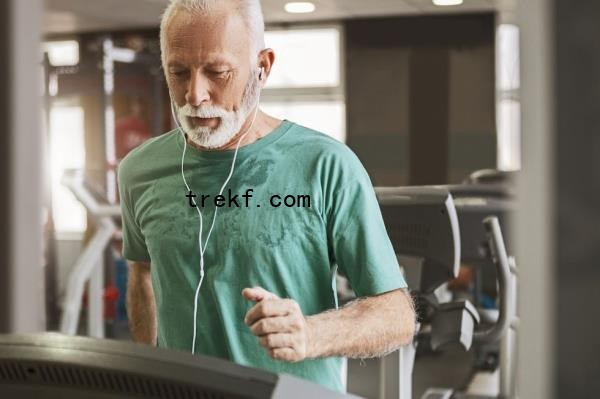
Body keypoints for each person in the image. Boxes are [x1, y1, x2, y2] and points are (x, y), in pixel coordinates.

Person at [118, 0, 416, 392]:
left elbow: (397, 315)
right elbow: (143, 273)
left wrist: (311, 333)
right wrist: (149, 375)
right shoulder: (138, 170)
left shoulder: (326, 165)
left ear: (263, 66)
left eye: (217, 72)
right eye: (178, 72)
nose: (195, 94)